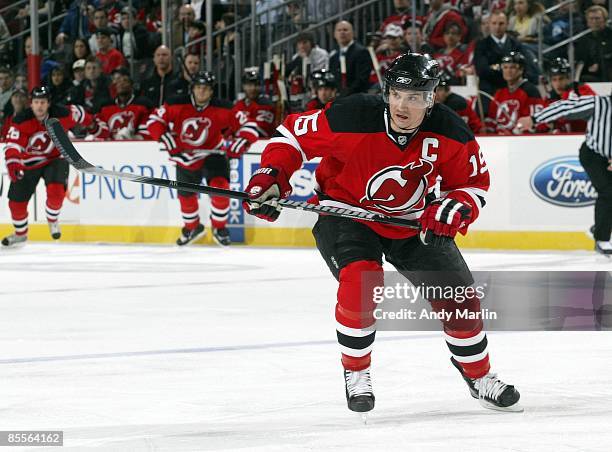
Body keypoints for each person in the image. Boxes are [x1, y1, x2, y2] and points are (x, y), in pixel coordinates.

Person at [242, 53, 521, 414]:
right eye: (398, 95)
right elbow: (292, 137)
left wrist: (455, 205)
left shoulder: (451, 131)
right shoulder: (351, 115)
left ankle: (479, 376)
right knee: (362, 282)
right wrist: (272, 175)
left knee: (460, 299)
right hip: (346, 215)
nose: (404, 105)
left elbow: (473, 183)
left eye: (416, 97)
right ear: (387, 93)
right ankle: (356, 373)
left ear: (431, 98)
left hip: (412, 222)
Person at [146, 71, 260, 246]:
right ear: (192, 89)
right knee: (186, 195)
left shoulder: (224, 107)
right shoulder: (176, 104)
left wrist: (243, 140)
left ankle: (220, 228)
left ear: (211, 91)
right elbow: (154, 120)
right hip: (185, 156)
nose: (201, 92)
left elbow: (249, 125)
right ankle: (192, 227)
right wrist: (164, 137)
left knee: (221, 190)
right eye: (198, 88)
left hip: (213, 155)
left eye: (205, 88)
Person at [2, 86, 99, 247]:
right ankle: (20, 234)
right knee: (15, 203)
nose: (39, 106)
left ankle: (52, 219)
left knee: (56, 194)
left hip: (55, 159)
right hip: (28, 163)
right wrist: (13, 162)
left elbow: (81, 114)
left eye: (43, 102)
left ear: (49, 103)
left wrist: (94, 127)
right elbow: (12, 145)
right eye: (36, 102)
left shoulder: (62, 114)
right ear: (31, 104)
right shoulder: (21, 120)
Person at [517, 94, 612, 255]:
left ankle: (599, 227)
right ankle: (601, 238)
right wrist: (534, 119)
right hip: (593, 155)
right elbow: (564, 106)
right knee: (608, 192)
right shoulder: (598, 103)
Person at [484, 51, 545, 134]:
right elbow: (491, 118)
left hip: (520, 141)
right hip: (499, 139)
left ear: (521, 69)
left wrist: (513, 133)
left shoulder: (530, 90)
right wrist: (489, 130)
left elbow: (534, 122)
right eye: (505, 67)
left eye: (512, 67)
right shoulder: (500, 92)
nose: (508, 71)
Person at [95, 70, 153, 140]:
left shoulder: (143, 104)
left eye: (125, 81)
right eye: (118, 81)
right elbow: (99, 128)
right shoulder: (105, 106)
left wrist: (131, 139)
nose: (121, 83)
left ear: (132, 86)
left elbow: (146, 133)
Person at [545, 57, 596, 132]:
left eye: (561, 79)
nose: (558, 84)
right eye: (554, 80)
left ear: (568, 78)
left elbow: (596, 107)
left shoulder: (582, 90)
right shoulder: (550, 98)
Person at [328, 21, 373, 97]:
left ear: (353, 33)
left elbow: (362, 79)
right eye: (339, 30)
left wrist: (346, 93)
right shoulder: (333, 57)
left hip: (358, 97)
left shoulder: (361, 52)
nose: (342, 32)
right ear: (334, 35)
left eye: (345, 30)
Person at [234, 67, 276, 138]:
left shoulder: (266, 104)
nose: (253, 88)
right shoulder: (238, 104)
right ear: (243, 86)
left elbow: (261, 129)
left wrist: (241, 122)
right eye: (249, 85)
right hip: (241, 143)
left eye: (256, 85)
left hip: (261, 145)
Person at [575, 6, 612, 82]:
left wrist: (599, 64)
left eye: (597, 18)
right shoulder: (583, 39)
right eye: (591, 19)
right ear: (587, 22)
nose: (594, 21)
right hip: (590, 76)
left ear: (605, 20)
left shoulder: (610, 35)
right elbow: (580, 60)